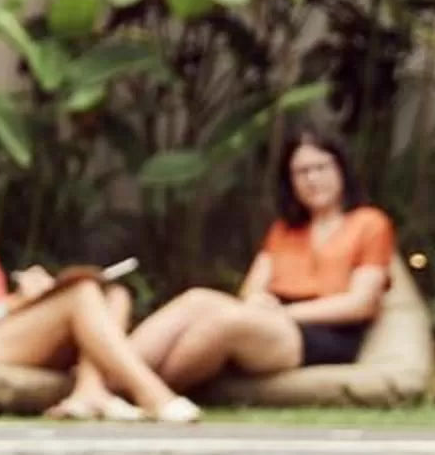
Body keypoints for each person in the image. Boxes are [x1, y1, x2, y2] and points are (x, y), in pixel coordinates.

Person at [0, 140, 201, 423]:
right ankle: (153, 395)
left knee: (116, 295)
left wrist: (33, 294)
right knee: (81, 293)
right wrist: (15, 304)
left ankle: (88, 392)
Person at [130, 128, 395, 391]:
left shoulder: (370, 223)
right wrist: (258, 301)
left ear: (341, 170)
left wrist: (283, 313)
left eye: (321, 167)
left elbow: (361, 304)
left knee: (227, 323)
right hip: (269, 320)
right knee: (197, 298)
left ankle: (137, 389)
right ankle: (105, 381)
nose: (312, 179)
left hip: (325, 331)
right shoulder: (284, 229)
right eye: (301, 172)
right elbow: (252, 289)